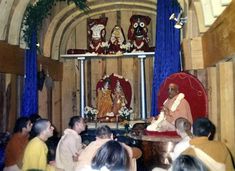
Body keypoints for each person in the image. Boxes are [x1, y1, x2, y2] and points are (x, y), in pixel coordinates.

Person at [76, 125, 142, 171]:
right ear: (112, 136)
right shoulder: (116, 146)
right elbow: (138, 153)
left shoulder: (89, 146)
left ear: (96, 137)